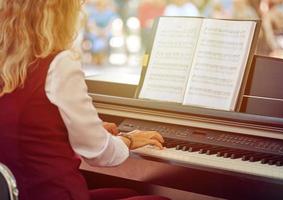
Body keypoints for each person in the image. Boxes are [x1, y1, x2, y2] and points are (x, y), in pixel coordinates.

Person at [0, 1, 168, 200]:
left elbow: (30, 128)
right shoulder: (59, 63)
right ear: (60, 13)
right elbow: (100, 153)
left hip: (20, 192)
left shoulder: (8, 63)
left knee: (128, 193)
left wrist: (86, 131)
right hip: (55, 193)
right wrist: (129, 139)